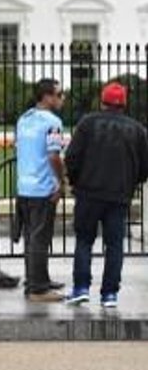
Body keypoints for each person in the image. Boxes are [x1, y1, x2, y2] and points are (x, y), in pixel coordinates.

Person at [64, 82, 148, 308]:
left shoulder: (87, 123)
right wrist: (131, 183)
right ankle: (109, 293)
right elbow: (144, 167)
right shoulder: (138, 130)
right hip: (119, 195)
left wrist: (75, 181)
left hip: (89, 192)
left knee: (84, 241)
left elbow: (72, 157)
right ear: (124, 104)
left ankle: (81, 288)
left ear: (102, 101)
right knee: (115, 245)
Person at [15, 78, 66, 303]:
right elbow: (54, 155)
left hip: (24, 186)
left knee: (31, 238)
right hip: (43, 188)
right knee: (40, 239)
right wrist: (61, 182)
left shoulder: (23, 119)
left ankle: (36, 279)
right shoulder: (53, 122)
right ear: (47, 97)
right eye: (59, 94)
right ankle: (38, 289)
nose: (62, 98)